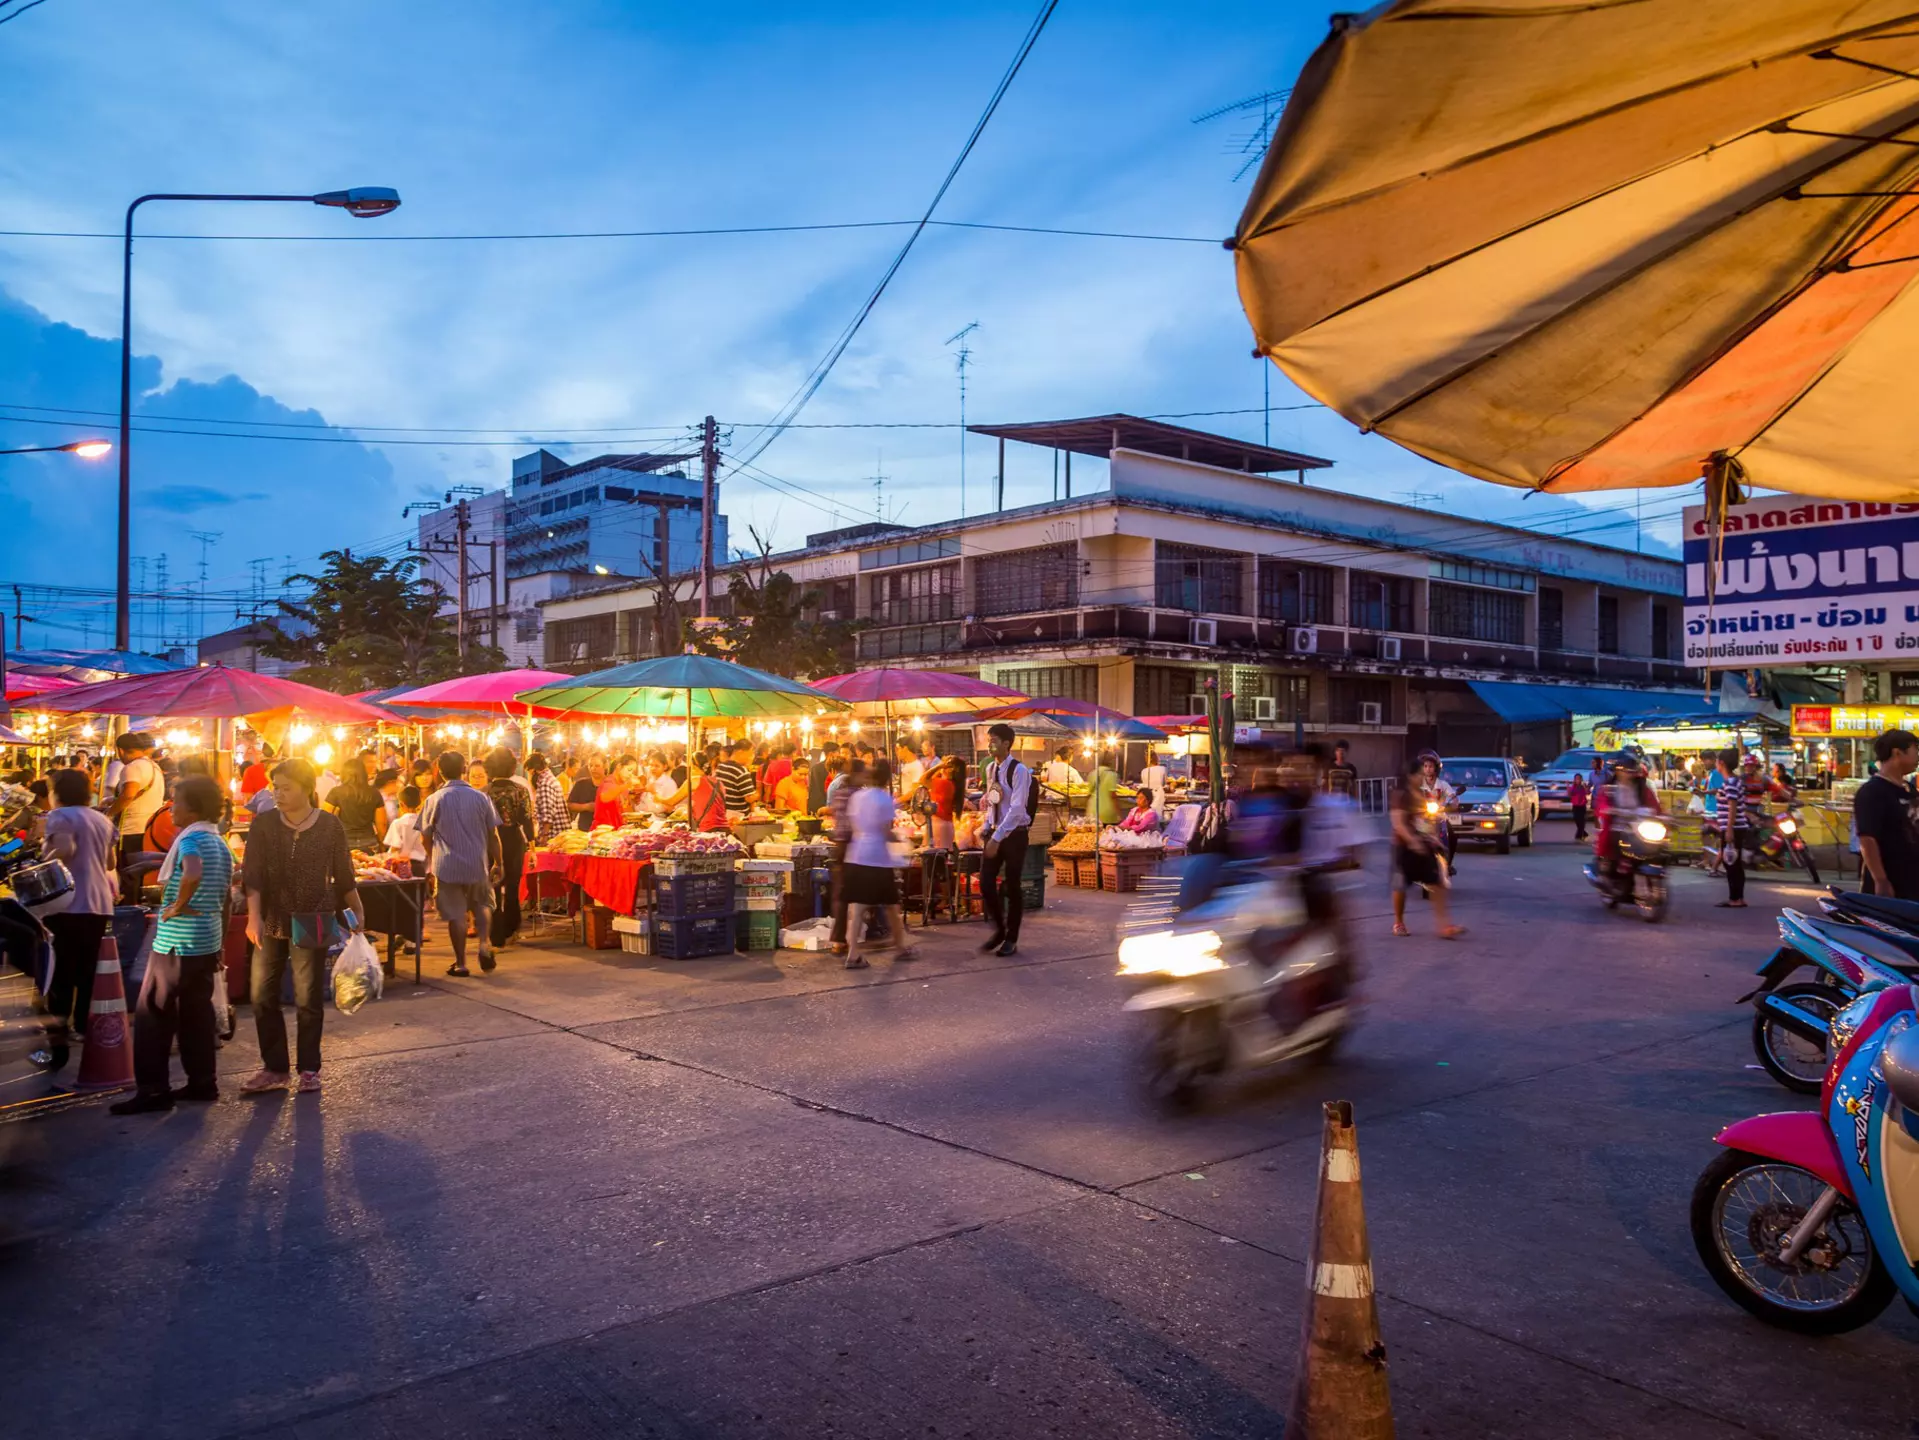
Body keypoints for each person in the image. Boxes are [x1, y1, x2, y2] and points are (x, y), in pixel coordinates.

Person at [110, 775, 233, 1114]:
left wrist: (176, 906)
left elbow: (192, 870)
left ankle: (153, 1091)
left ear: (191, 808)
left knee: (153, 1013)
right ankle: (202, 1083)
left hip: (178, 941)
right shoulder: (218, 841)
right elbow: (220, 890)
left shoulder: (191, 838)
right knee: (196, 1013)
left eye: (176, 802)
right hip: (206, 940)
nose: (171, 808)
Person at [242, 759, 365, 1095]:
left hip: (315, 916)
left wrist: (356, 910)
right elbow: (251, 875)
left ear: (307, 788)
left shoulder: (330, 825)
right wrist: (253, 917)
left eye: (286, 788)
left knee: (308, 996)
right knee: (261, 994)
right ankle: (275, 1068)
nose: (278, 794)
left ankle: (309, 1068)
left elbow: (344, 874)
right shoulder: (264, 824)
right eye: (275, 787)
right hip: (271, 918)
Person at [37, 768, 118, 1074]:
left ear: (58, 791)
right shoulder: (101, 818)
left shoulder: (60, 816)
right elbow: (110, 862)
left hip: (68, 903)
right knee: (87, 973)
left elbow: (64, 851)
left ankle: (57, 1049)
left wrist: (44, 854)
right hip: (99, 903)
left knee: (59, 976)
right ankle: (84, 1027)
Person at [420, 751, 503, 977]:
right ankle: (485, 944)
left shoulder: (434, 799)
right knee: (483, 904)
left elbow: (424, 837)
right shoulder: (480, 798)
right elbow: (493, 834)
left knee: (456, 914)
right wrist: (499, 862)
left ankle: (461, 963)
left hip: (447, 866)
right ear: (463, 769)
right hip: (477, 862)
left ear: (440, 772)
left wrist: (433, 856)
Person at [841, 759, 919, 970]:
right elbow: (885, 832)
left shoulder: (857, 797)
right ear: (887, 780)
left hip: (855, 856)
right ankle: (900, 947)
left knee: (857, 908)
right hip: (877, 859)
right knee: (892, 905)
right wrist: (901, 839)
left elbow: (853, 824)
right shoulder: (884, 799)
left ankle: (853, 953)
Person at [978, 723, 1035, 958]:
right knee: (985, 882)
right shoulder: (991, 768)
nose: (989, 744)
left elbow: (1017, 808)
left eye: (993, 740)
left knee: (1012, 886)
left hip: (1015, 835)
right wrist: (986, 827)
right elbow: (993, 800)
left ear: (1006, 743)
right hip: (995, 831)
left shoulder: (1019, 771)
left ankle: (1011, 937)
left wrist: (997, 837)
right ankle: (1000, 930)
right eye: (988, 740)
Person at [1391, 757, 1463, 939]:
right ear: (1410, 776)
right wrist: (1412, 840)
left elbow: (1423, 821)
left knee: (1438, 883)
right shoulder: (1402, 795)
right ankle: (1399, 923)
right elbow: (1399, 823)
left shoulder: (1421, 795)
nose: (1423, 777)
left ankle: (1444, 926)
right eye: (1419, 774)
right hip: (1404, 849)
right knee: (1400, 886)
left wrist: (1432, 838)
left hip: (1423, 846)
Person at [1855, 729, 1919, 899]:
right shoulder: (1872, 791)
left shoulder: (1909, 790)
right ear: (1897, 753)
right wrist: (1881, 881)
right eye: (1915, 751)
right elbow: (1867, 840)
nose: (1918, 757)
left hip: (1912, 881)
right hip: (1891, 884)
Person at [484, 747, 534, 950]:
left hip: (489, 841)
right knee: (512, 887)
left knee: (493, 887)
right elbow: (527, 820)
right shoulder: (520, 791)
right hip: (513, 840)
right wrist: (532, 844)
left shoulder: (483, 793)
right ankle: (512, 929)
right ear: (512, 767)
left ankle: (495, 935)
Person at [103, 731, 164, 869]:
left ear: (120, 750)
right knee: (140, 872)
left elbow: (128, 795)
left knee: (128, 871)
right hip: (150, 827)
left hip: (131, 830)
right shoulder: (154, 766)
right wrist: (113, 800)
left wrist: (109, 814)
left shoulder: (132, 767)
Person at [1712, 749, 1760, 908]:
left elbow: (1732, 805)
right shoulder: (1733, 781)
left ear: (1722, 764)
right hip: (1736, 826)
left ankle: (1735, 898)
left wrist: (1729, 829)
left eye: (1717, 761)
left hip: (1733, 827)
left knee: (1730, 863)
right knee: (1734, 863)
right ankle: (1738, 897)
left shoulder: (1731, 782)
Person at [326, 763, 386, 851]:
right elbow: (381, 824)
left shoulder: (335, 792)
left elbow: (324, 818)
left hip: (343, 842)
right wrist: (382, 843)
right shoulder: (374, 793)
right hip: (369, 842)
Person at [527, 752, 568, 843]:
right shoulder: (551, 779)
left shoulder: (545, 783)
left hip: (552, 837)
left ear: (535, 771)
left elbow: (547, 815)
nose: (529, 778)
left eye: (529, 774)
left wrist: (544, 837)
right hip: (560, 835)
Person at [384, 784, 427, 870]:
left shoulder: (398, 823)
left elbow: (395, 847)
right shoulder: (425, 822)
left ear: (401, 804)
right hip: (423, 865)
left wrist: (386, 861)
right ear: (420, 802)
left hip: (404, 866)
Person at [927, 755, 963, 850]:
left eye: (946, 764)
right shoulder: (952, 784)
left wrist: (938, 767)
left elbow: (923, 779)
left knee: (937, 857)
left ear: (950, 769)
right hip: (946, 824)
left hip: (939, 825)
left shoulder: (944, 783)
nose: (943, 765)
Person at [595, 754, 637, 829]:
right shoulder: (608, 781)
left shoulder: (623, 784)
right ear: (619, 766)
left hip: (618, 830)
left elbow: (626, 810)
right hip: (604, 831)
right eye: (629, 770)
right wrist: (626, 785)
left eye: (633, 772)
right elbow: (604, 797)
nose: (630, 774)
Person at [717, 739, 757, 814]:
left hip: (722, 813)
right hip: (738, 817)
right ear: (741, 752)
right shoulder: (742, 771)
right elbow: (749, 798)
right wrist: (758, 794)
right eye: (750, 753)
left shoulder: (721, 766)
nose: (751, 757)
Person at [1086, 755, 1124, 826]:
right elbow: (1112, 795)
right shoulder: (1112, 775)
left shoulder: (1092, 773)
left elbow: (1089, 794)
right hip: (1107, 813)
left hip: (1093, 811)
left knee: (1094, 835)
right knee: (1108, 835)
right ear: (1110, 762)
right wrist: (1119, 813)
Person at [565, 753, 599, 830]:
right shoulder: (581, 784)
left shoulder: (609, 785)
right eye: (590, 765)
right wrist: (586, 807)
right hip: (585, 830)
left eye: (597, 766)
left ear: (605, 766)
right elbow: (569, 805)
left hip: (607, 831)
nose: (593, 769)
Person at [1138, 748, 1169, 813]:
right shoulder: (1163, 769)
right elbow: (1164, 784)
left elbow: (1144, 784)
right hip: (1158, 795)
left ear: (1149, 758)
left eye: (1146, 758)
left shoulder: (1144, 771)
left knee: (1147, 814)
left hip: (1147, 795)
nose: (1145, 759)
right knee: (1156, 814)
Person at [1568, 771, 1591, 842]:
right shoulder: (1573, 787)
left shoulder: (1583, 786)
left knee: (1582, 820)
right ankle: (1584, 833)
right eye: (1576, 778)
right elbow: (1570, 794)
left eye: (1579, 778)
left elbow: (1588, 792)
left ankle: (1579, 835)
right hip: (1575, 805)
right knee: (1576, 819)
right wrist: (1567, 786)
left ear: (1581, 779)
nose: (1577, 780)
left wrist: (1585, 787)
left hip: (1582, 805)